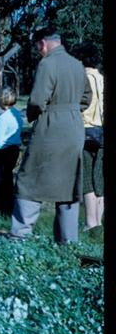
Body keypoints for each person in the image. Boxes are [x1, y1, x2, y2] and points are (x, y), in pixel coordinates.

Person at [11, 26, 92, 244]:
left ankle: (20, 236)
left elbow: (37, 100)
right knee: (69, 184)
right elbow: (87, 98)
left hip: (51, 126)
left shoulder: (47, 64)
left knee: (29, 179)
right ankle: (68, 242)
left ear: (43, 43)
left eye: (38, 47)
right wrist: (71, 110)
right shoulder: (77, 65)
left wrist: (32, 115)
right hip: (75, 128)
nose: (39, 51)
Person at [73, 42, 104, 231]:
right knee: (100, 178)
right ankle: (99, 222)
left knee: (87, 181)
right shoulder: (102, 78)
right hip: (102, 133)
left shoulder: (81, 79)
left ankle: (90, 223)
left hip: (85, 132)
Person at [0, 87, 23, 216]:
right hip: (14, 149)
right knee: (7, 177)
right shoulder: (17, 114)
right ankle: (8, 206)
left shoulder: (3, 118)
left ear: (1, 100)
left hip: (3, 151)